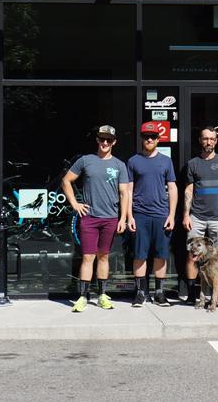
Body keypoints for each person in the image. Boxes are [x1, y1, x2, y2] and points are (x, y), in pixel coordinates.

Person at [61, 124, 130, 312]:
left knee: (104, 256)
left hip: (110, 218)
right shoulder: (86, 160)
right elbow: (66, 180)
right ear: (97, 140)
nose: (105, 142)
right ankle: (83, 297)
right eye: (102, 139)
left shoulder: (119, 165)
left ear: (114, 142)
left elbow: (124, 193)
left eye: (109, 139)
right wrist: (75, 204)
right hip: (89, 217)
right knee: (87, 257)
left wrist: (122, 218)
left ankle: (102, 295)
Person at [182, 126, 218, 306]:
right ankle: (191, 294)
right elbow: (189, 190)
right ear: (200, 140)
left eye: (212, 139)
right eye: (205, 138)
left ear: (216, 141)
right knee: (192, 255)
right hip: (197, 217)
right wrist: (186, 215)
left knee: (217, 260)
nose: (208, 142)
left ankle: (215, 297)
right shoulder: (193, 164)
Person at [127, 122, 177, 307]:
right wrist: (129, 216)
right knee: (139, 255)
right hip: (140, 214)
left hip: (161, 215)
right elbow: (128, 190)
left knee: (160, 255)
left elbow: (172, 188)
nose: (149, 139)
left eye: (153, 137)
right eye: (146, 136)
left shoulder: (166, 161)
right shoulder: (133, 161)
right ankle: (140, 293)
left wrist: (172, 215)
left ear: (158, 139)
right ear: (142, 138)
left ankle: (159, 293)